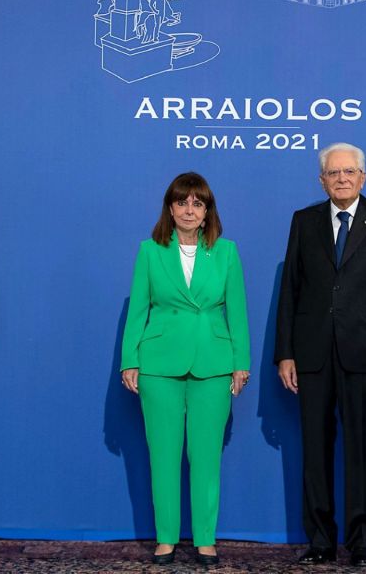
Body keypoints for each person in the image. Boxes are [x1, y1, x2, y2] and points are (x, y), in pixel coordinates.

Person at [275, 143, 366, 567]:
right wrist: (285, 353)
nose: (342, 179)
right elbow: (290, 290)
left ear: (363, 177)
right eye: (333, 173)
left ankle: (362, 542)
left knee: (363, 450)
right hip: (312, 354)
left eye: (349, 172)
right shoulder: (304, 221)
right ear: (322, 181)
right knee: (315, 452)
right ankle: (320, 540)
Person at [120, 172, 250, 566]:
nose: (189, 210)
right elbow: (138, 309)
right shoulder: (150, 251)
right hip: (159, 364)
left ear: (208, 211)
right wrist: (130, 359)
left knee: (207, 456)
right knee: (163, 455)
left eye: (197, 203)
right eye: (182, 202)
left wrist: (241, 363)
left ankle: (205, 539)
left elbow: (238, 312)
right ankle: (165, 538)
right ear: (170, 209)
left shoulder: (226, 252)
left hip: (213, 363)